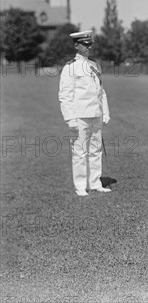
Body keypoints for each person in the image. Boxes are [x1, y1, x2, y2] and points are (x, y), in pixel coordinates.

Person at [58, 30, 111, 196]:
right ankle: (80, 185)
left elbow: (101, 91)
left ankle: (95, 182)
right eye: (85, 44)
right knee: (80, 152)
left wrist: (105, 111)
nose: (89, 47)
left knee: (96, 150)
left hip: (96, 113)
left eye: (90, 44)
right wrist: (70, 118)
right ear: (76, 45)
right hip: (80, 115)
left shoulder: (95, 65)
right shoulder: (70, 67)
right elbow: (65, 95)